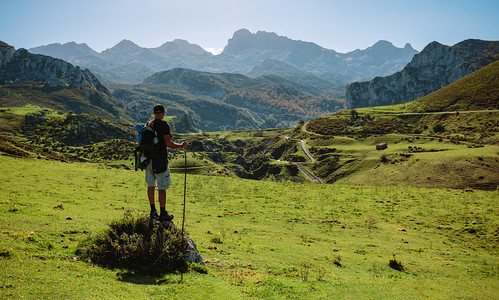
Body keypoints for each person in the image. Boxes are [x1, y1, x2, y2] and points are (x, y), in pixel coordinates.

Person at [146, 104, 187, 224]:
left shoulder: (149, 124)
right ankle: (163, 213)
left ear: (154, 113)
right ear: (163, 113)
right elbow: (168, 143)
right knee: (162, 187)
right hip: (160, 159)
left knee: (150, 186)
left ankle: (153, 212)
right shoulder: (164, 125)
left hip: (148, 159)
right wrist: (181, 146)